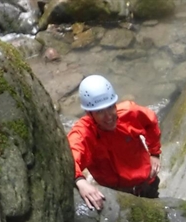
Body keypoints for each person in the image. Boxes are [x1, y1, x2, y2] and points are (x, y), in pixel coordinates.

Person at [66, 75, 162, 211]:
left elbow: (151, 122)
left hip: (146, 182)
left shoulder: (130, 113)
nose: (109, 116)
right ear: (89, 113)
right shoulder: (84, 134)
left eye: (110, 107)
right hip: (117, 194)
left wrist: (155, 153)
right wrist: (80, 181)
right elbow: (69, 158)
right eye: (100, 112)